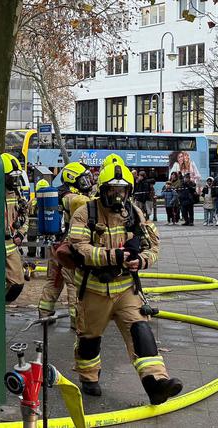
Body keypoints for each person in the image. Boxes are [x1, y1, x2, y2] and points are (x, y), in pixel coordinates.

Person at [65, 158, 181, 405]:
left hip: (126, 288)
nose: (118, 196)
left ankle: (156, 383)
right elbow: (79, 248)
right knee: (89, 338)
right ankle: (88, 377)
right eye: (112, 190)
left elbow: (153, 246)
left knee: (141, 332)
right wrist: (112, 256)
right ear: (102, 189)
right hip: (94, 290)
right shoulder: (85, 212)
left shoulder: (135, 213)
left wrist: (141, 260)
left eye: (122, 190)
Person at [39, 163, 93, 319]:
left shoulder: (57, 194)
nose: (86, 183)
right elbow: (86, 205)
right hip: (68, 247)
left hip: (56, 245)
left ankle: (44, 312)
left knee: (53, 281)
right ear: (72, 179)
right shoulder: (72, 197)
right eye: (83, 180)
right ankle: (76, 319)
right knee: (73, 283)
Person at [2, 153, 28, 303]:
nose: (15, 181)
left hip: (10, 245)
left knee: (17, 285)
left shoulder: (17, 194)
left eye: (17, 177)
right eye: (11, 177)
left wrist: (21, 234)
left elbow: (25, 218)